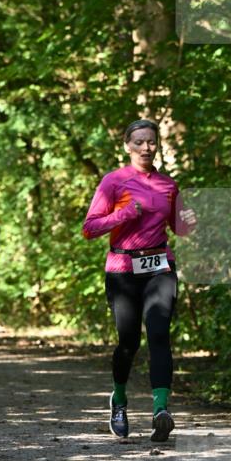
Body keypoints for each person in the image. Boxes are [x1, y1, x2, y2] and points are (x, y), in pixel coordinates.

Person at [82, 119, 196, 442]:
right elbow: (89, 228)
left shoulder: (167, 186)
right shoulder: (113, 182)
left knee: (159, 333)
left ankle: (161, 410)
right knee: (129, 342)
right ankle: (118, 399)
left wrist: (189, 221)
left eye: (151, 142)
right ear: (127, 146)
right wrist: (123, 215)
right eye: (139, 142)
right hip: (122, 269)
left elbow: (180, 228)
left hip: (160, 266)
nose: (146, 148)